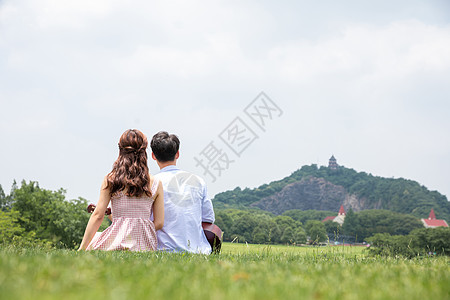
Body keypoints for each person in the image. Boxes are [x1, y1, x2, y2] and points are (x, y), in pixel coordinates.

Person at [78, 129, 164, 251]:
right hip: (144, 245)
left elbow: (98, 215)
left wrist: (82, 248)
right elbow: (159, 222)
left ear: (121, 150)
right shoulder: (156, 182)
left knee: (96, 238)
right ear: (144, 151)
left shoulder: (111, 179)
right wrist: (138, 230)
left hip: (116, 242)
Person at [150, 131, 215, 254]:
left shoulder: (152, 183)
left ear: (153, 155)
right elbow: (208, 219)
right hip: (198, 250)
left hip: (163, 249)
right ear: (177, 154)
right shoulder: (198, 181)